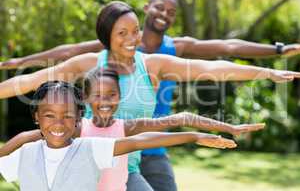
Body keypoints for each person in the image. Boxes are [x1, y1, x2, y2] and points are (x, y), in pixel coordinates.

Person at [0, 0, 299, 190]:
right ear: (107, 37)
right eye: (122, 33)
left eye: (135, 31)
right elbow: (28, 82)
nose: (133, 39)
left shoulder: (153, 65)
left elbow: (213, 68)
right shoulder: (91, 63)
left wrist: (267, 71)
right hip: (85, 160)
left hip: (130, 163)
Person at [1, 69, 265, 191]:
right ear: (88, 99)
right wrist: (18, 142)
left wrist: (229, 128)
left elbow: (162, 128)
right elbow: (37, 134)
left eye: (112, 95)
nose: (105, 102)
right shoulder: (75, 127)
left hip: (120, 184)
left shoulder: (122, 126)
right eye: (99, 96)